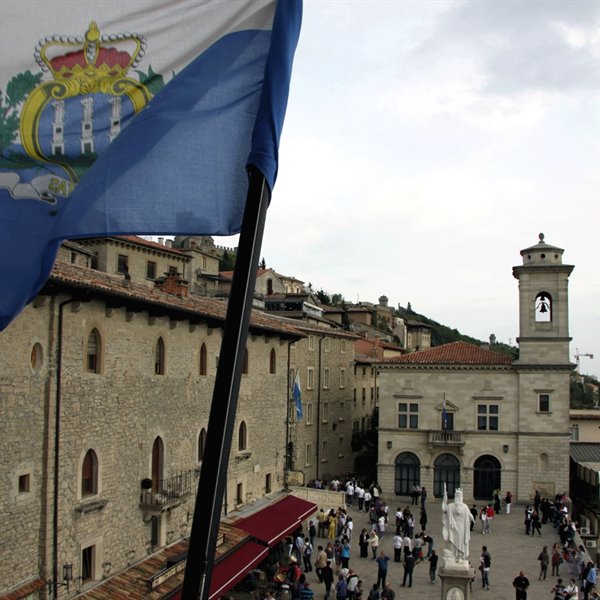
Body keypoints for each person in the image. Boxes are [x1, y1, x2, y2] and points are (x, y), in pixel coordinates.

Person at [442, 486, 475, 561]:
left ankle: (460, 556)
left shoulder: (464, 506)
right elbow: (444, 509)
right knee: (453, 541)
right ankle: (454, 555)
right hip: (453, 526)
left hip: (462, 527)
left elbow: (469, 514)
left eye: (460, 496)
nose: (459, 498)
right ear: (455, 497)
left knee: (461, 541)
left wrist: (472, 518)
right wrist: (444, 499)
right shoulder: (451, 506)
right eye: (457, 496)